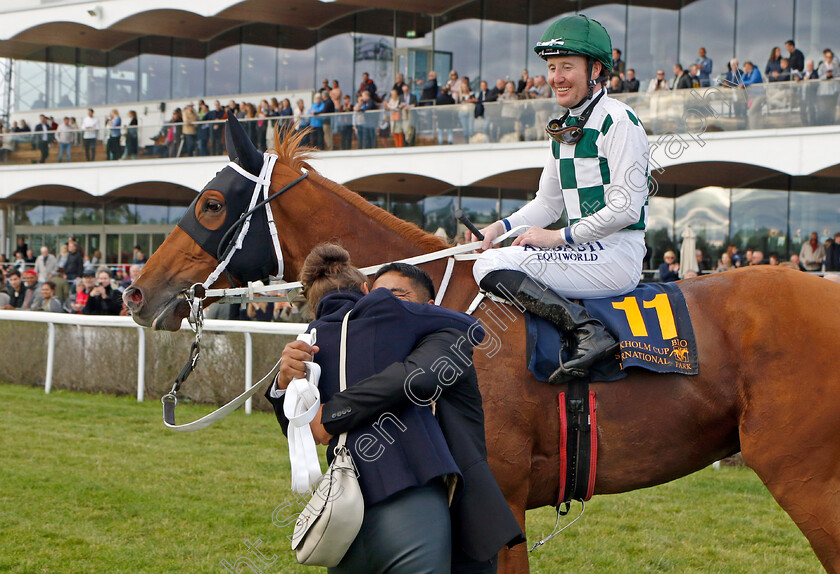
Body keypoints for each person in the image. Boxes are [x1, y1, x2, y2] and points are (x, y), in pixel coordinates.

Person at [266, 247, 524, 573]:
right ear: (363, 294)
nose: (381, 305)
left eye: (396, 297)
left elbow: (413, 378)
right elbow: (300, 430)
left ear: (429, 307)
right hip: (354, 508)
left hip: (453, 514)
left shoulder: (443, 338)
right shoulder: (350, 334)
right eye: (376, 297)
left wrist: (329, 416)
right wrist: (285, 382)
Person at [467, 14, 649, 384]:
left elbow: (626, 207)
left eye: (567, 66)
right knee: (491, 255)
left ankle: (587, 333)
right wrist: (496, 229)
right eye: (552, 67)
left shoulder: (619, 121)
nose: (556, 77)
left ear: (595, 69)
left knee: (488, 267)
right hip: (585, 251)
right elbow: (547, 205)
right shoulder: (563, 130)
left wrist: (557, 238)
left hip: (615, 255)